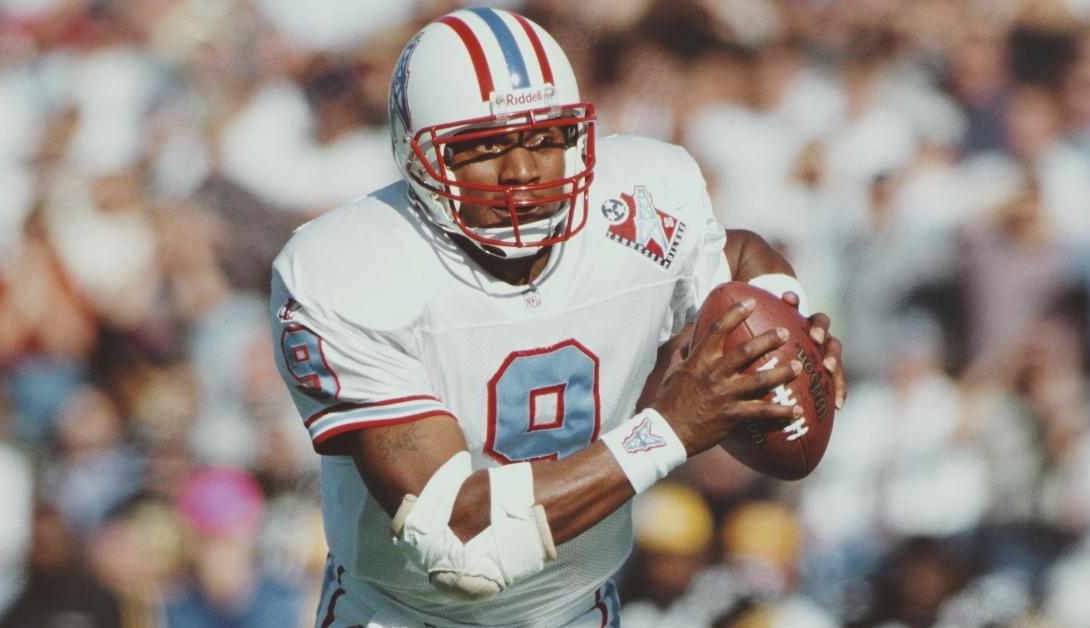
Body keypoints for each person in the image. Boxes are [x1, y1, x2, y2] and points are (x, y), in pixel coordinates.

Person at [269, 8, 846, 627]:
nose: (523, 171)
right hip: (400, 617)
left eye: (544, 137)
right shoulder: (349, 270)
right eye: (485, 145)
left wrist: (783, 317)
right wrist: (671, 427)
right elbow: (460, 548)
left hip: (579, 611)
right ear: (417, 157)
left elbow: (735, 254)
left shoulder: (636, 204)